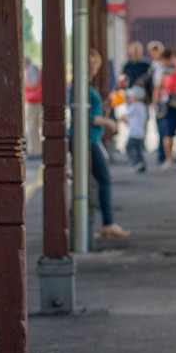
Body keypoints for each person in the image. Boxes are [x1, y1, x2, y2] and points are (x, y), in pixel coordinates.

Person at [70, 49, 129, 240]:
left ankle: (88, 225)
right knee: (102, 179)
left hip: (89, 139)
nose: (93, 66)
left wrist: (104, 108)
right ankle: (106, 224)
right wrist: (107, 122)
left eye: (95, 62)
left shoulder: (84, 86)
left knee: (90, 180)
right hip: (85, 139)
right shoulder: (79, 86)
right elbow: (83, 114)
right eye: (89, 63)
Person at [124, 86, 148, 173]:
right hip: (141, 132)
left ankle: (135, 163)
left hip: (134, 132)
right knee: (138, 149)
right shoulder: (143, 106)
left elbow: (125, 116)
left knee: (129, 148)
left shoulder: (134, 106)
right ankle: (141, 164)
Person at [24, 56, 42, 159]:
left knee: (32, 127)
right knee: (34, 126)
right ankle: (36, 149)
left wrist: (23, 84)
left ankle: (34, 150)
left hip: (34, 101)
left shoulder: (31, 69)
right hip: (34, 101)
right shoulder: (32, 69)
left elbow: (34, 84)